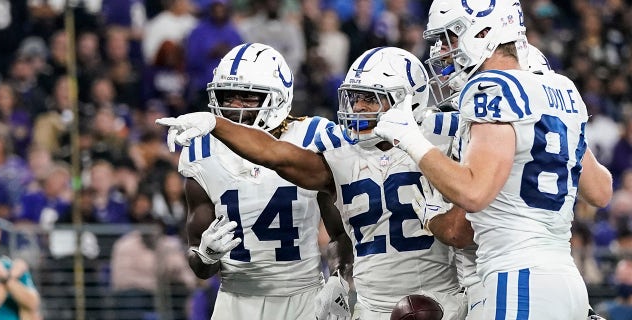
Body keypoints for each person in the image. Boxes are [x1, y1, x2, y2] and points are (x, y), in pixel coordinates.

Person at [157, 46, 466, 320]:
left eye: (371, 100)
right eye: (355, 97)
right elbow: (275, 155)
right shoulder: (339, 148)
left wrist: (339, 275)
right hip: (256, 298)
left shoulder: (448, 134)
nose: (357, 108)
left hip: (427, 295)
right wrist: (206, 256)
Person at [374, 1, 613, 319]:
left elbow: (475, 193)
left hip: (518, 278)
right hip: (565, 279)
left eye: (450, 37)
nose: (442, 50)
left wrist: (410, 138)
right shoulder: (561, 88)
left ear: (484, 30)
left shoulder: (491, 87)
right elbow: (601, 191)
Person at [161, 43, 353, 320]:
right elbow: (198, 263)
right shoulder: (200, 149)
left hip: (303, 298)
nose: (234, 107)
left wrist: (338, 277)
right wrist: (205, 256)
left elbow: (340, 233)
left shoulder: (312, 137)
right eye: (227, 97)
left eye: (247, 98)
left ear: (278, 98)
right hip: (235, 301)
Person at [0, 213, 41, 319]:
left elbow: (33, 303)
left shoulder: (10, 266)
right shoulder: (14, 271)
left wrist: (7, 277)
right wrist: (9, 277)